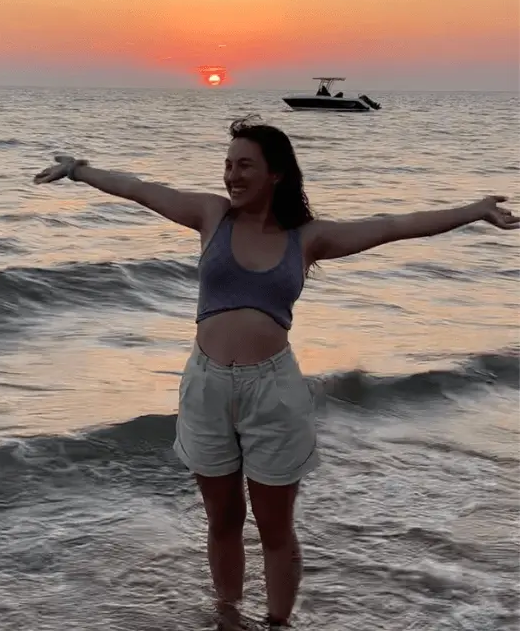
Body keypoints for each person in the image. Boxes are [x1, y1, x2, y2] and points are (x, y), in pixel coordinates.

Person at [32, 115, 518, 628]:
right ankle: (227, 616)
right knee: (222, 519)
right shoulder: (210, 215)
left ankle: (278, 624)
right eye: (227, 165)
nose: (231, 176)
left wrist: (473, 211)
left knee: (275, 528)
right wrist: (79, 170)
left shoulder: (308, 239)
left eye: (245, 165)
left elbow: (393, 225)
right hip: (207, 386)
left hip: (273, 391)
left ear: (276, 174)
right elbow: (144, 190)